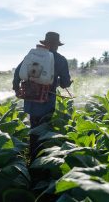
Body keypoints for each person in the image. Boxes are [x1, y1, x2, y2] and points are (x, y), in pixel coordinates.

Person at [12, 31, 72, 161]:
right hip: (47, 100)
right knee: (44, 128)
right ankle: (40, 158)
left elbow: (18, 72)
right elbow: (65, 83)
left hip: (30, 98)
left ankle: (32, 155)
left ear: (45, 43)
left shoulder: (33, 55)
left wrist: (16, 88)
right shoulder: (60, 60)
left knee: (33, 126)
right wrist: (64, 82)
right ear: (57, 45)